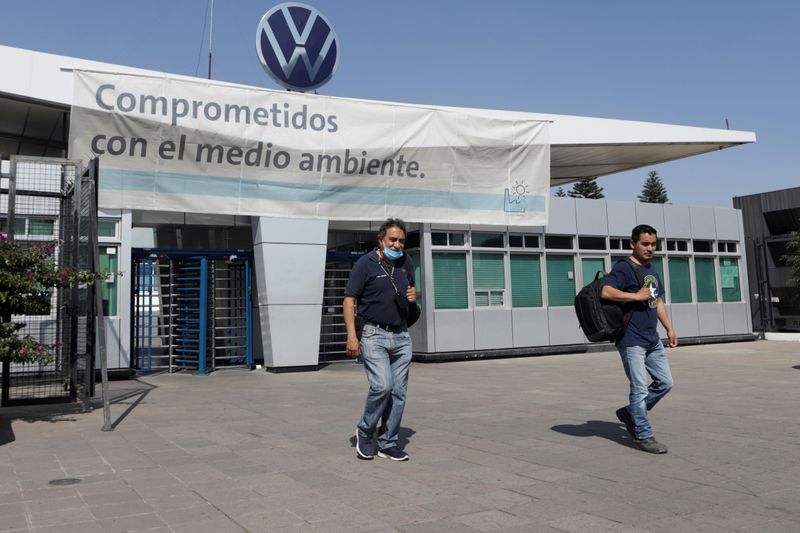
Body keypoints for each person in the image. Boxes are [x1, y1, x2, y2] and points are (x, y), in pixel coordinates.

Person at [343, 218, 416, 461]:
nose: (397, 245)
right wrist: (352, 336)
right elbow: (349, 299)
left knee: (399, 392)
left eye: (401, 241)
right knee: (382, 386)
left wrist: (414, 296)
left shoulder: (407, 262)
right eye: (392, 240)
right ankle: (365, 430)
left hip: (402, 336)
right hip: (374, 334)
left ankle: (388, 442)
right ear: (381, 240)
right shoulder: (365, 264)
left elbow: (409, 294)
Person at [601, 224, 678, 454]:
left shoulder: (652, 270)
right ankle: (643, 434)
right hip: (631, 339)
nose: (650, 248)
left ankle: (629, 413)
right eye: (645, 244)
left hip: (652, 339)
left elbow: (658, 301)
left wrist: (669, 329)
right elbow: (606, 291)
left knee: (665, 383)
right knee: (639, 388)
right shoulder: (624, 268)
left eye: (653, 244)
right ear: (633, 244)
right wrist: (636, 295)